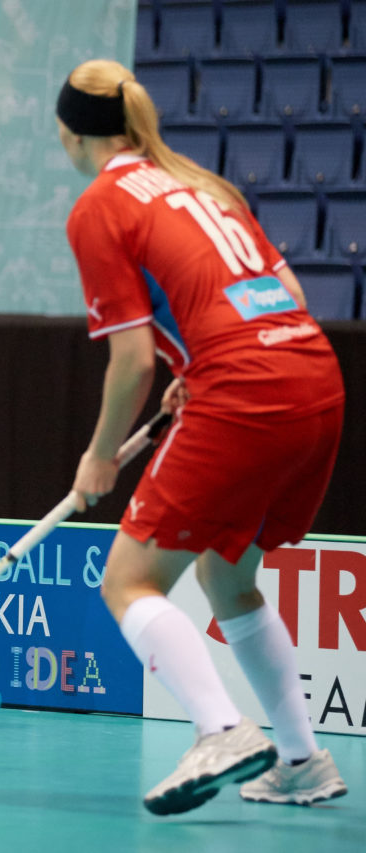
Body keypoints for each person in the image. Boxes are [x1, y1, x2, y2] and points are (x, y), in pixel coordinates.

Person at [57, 59, 348, 815]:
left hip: (246, 392)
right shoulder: (203, 183)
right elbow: (288, 294)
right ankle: (302, 760)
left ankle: (220, 726)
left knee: (127, 579)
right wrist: (203, 362)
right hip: (314, 374)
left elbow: (131, 359)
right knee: (227, 574)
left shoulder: (101, 205)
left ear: (69, 133)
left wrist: (96, 457)